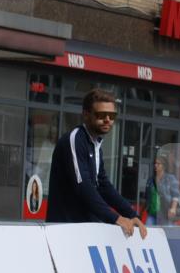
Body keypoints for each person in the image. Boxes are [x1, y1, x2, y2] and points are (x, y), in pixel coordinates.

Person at [46, 88, 147, 238]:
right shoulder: (75, 140)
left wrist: (132, 214)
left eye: (112, 115)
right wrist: (115, 218)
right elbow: (83, 185)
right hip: (65, 230)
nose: (107, 119)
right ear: (86, 115)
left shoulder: (95, 144)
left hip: (87, 229)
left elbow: (103, 185)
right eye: (101, 115)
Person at [145, 156, 180, 225]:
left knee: (167, 234)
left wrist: (173, 208)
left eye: (158, 164)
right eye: (155, 163)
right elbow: (147, 195)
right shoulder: (150, 180)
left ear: (164, 166)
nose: (155, 165)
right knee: (148, 233)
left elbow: (175, 195)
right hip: (152, 214)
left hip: (165, 214)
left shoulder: (170, 178)